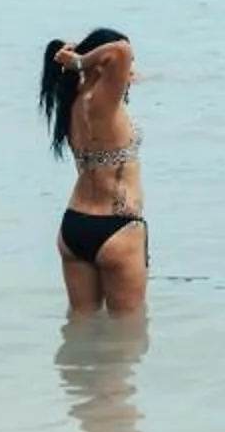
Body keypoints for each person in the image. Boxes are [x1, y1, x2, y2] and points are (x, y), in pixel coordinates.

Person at [39, 28, 149, 316]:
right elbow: (121, 50)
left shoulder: (75, 100)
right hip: (117, 227)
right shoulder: (103, 103)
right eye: (130, 66)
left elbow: (118, 56)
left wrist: (80, 63)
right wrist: (78, 60)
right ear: (103, 66)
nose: (131, 69)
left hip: (74, 226)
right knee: (127, 336)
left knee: (79, 325)